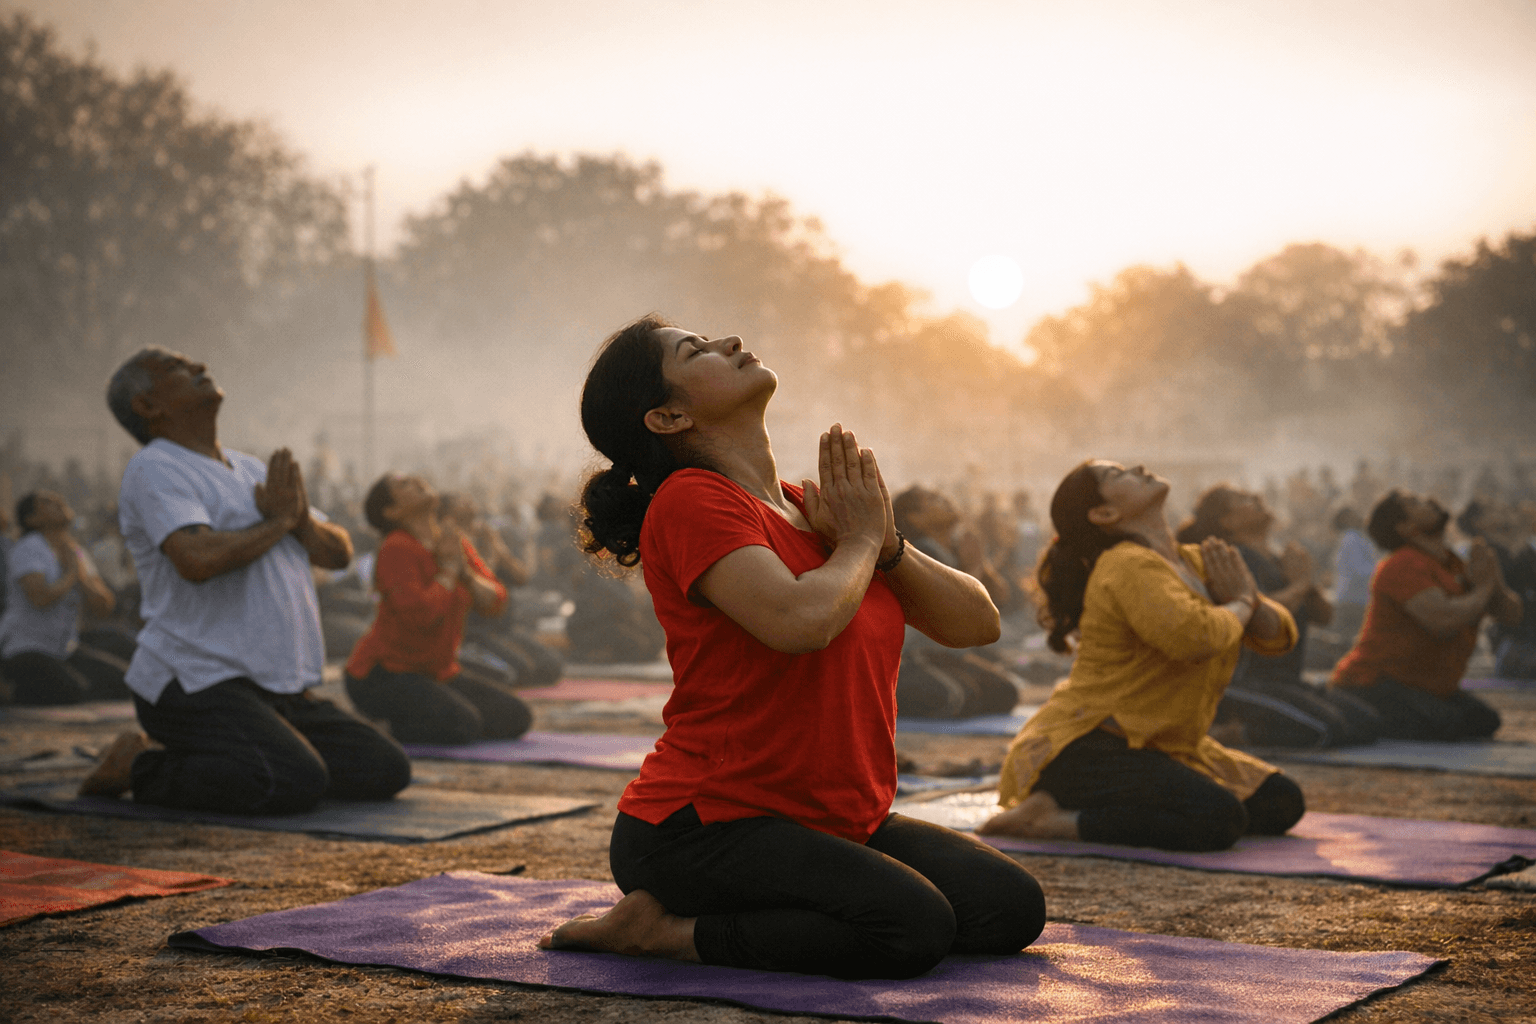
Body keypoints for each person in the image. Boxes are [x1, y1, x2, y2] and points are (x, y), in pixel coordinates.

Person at [539, 315, 1045, 979]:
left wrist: (884, 544)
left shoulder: (813, 508)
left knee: (1009, 909)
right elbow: (798, 621)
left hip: (832, 818)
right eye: (696, 351)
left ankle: (783, 908)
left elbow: (978, 622)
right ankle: (661, 931)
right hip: (706, 824)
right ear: (666, 417)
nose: (727, 342)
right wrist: (861, 543)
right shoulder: (691, 501)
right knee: (912, 928)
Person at [78, 347, 411, 812]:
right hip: (194, 682)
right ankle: (138, 767)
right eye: (176, 368)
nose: (197, 367)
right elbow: (195, 559)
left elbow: (339, 552)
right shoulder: (156, 467)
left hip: (275, 687)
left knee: (385, 769)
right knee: (292, 780)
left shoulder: (251, 468)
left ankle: (256, 751)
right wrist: (277, 523)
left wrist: (298, 522)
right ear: (147, 406)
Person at [980, 461, 1306, 852]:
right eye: (1118, 475)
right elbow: (1195, 637)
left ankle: (1086, 803)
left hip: (1163, 746)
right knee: (1218, 818)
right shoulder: (1126, 563)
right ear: (1105, 514)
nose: (1136, 467)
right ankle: (1052, 818)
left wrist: (1248, 601)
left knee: (1281, 801)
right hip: (1088, 746)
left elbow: (1279, 636)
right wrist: (1240, 601)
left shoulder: (1196, 561)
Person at [1176, 486, 1377, 748]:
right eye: (1244, 500)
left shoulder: (1281, 557)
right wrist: (1301, 584)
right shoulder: (1231, 559)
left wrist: (1307, 582)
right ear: (1228, 521)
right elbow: (1255, 614)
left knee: (1367, 724)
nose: (1258, 498)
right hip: (1242, 684)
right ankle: (1226, 733)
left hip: (1286, 682)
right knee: (1326, 731)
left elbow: (1325, 617)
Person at [344, 474, 532, 744]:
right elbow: (421, 616)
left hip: (437, 671)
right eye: (403, 485)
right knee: (462, 725)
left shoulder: (452, 542)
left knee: (516, 717)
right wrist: (447, 572)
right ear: (392, 511)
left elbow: (496, 602)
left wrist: (464, 574)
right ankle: (379, 725)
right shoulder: (396, 547)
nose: (417, 481)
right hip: (383, 675)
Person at [1328, 489, 1522, 740]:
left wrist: (1493, 578)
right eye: (1415, 503)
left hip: (1426, 686)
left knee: (1484, 721)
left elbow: (1512, 615)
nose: (1429, 499)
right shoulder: (1402, 564)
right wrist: (1484, 588)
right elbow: (1443, 621)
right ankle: (1347, 707)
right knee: (1450, 725)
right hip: (1373, 683)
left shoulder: (1452, 563)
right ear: (1406, 528)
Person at [0, 490, 131, 705]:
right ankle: (7, 688)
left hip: (64, 649)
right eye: (47, 502)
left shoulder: (74, 551)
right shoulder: (29, 547)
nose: (58, 501)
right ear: (32, 519)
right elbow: (40, 598)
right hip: (24, 649)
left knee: (122, 683)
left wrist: (80, 576)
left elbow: (105, 605)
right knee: (70, 692)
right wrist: (71, 573)